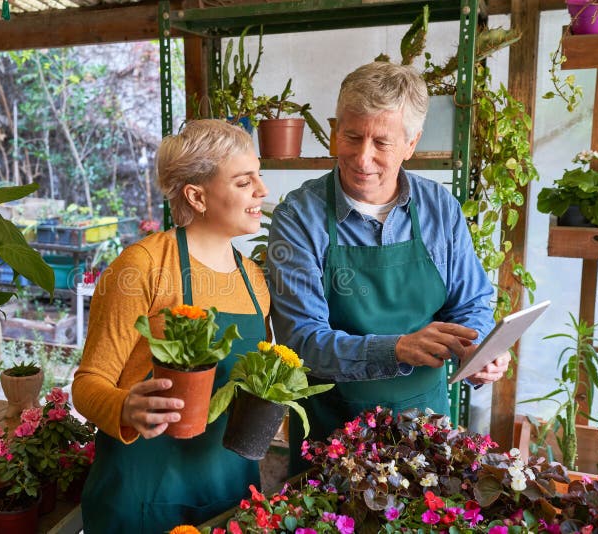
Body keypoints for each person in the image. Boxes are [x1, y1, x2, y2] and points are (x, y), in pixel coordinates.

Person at [265, 62, 510, 474]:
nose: (363, 158)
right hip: (333, 434)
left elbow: (472, 302)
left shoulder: (439, 208)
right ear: (333, 129)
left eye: (382, 142)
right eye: (352, 136)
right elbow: (302, 341)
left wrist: (480, 350)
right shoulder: (299, 216)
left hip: (427, 429)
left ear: (411, 143)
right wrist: (396, 348)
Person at [71, 119, 270, 533]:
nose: (261, 191)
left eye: (259, 176)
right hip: (142, 500)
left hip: (228, 494)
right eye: (243, 181)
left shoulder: (254, 280)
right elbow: (88, 383)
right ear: (197, 196)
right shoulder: (143, 267)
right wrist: (125, 407)